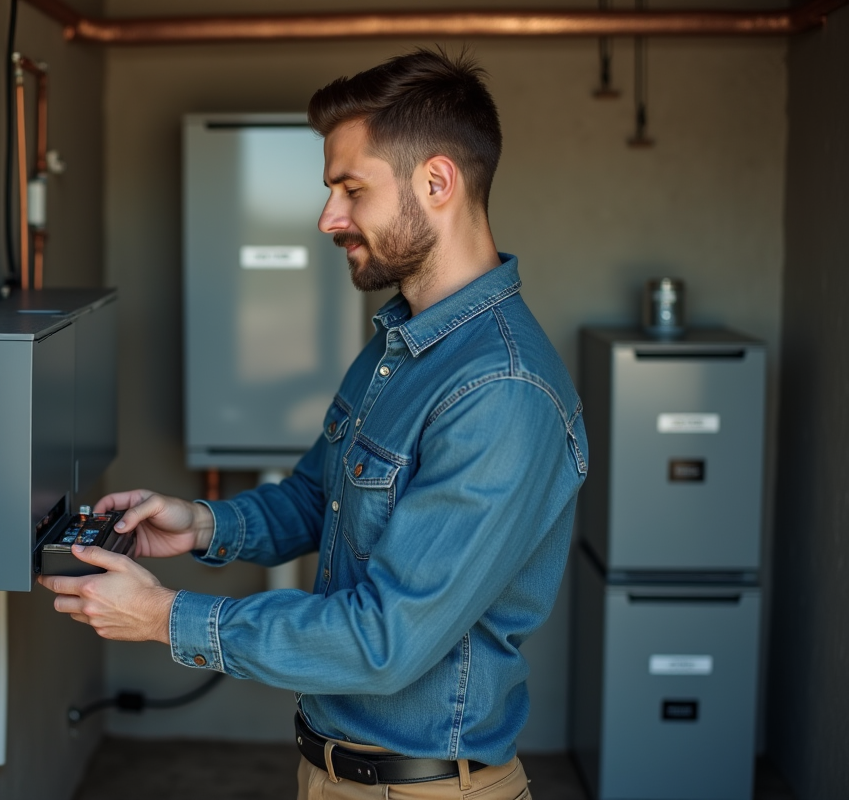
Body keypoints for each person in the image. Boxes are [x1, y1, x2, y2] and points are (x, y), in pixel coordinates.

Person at [41, 48, 588, 800]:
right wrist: (198, 523)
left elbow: (386, 640)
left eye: (349, 188)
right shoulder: (400, 344)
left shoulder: (500, 389)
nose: (328, 217)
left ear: (436, 182)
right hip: (334, 774)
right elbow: (316, 498)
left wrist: (169, 618)